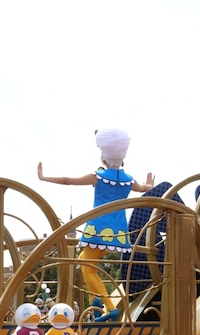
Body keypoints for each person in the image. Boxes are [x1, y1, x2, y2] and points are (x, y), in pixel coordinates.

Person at [37, 129, 154, 322]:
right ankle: (96, 302)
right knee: (84, 260)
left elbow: (68, 181)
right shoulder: (128, 180)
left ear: (104, 157)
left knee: (88, 269)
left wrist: (44, 177)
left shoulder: (99, 177)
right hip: (118, 233)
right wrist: (149, 185)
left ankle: (109, 307)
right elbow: (143, 188)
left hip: (98, 230)